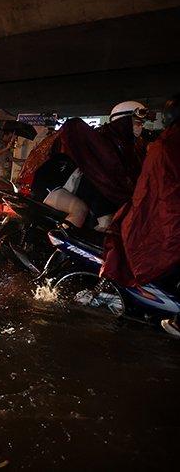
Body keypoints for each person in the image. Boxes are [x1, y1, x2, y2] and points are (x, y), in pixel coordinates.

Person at [98, 96, 180, 337]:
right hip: (148, 209)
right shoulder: (110, 143)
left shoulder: (146, 145)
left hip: (146, 205)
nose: (139, 126)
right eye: (135, 121)